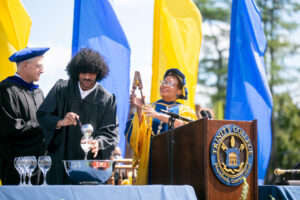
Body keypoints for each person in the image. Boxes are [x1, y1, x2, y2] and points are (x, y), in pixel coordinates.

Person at [36, 48, 119, 184]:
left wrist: (98, 143)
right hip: (61, 160)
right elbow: (43, 115)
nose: (87, 77)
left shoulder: (107, 99)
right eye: (83, 72)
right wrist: (60, 122)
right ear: (76, 72)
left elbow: (110, 133)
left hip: (90, 165)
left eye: (91, 73)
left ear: (99, 73)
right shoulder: (61, 89)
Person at [125, 68, 197, 184]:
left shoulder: (186, 111)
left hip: (177, 164)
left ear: (179, 91)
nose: (164, 85)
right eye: (163, 82)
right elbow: (138, 136)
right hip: (151, 163)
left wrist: (158, 115)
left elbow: (189, 130)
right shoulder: (150, 107)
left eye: (169, 83)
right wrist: (139, 109)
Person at [0, 47, 49, 185]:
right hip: (15, 168)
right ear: (26, 65)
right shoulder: (5, 91)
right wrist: (46, 126)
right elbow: (10, 128)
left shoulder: (38, 92)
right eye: (39, 66)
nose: (42, 70)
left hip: (41, 169)